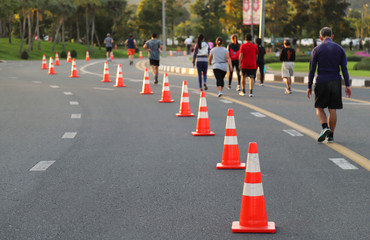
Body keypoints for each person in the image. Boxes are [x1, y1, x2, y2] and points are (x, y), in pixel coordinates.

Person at [307, 27, 351, 143]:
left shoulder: (317, 49)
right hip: (336, 81)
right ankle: (331, 135)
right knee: (333, 109)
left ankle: (325, 127)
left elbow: (312, 69)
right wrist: (347, 85)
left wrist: (309, 86)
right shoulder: (340, 49)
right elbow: (344, 69)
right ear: (332, 36)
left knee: (319, 107)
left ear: (320, 37)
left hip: (322, 81)